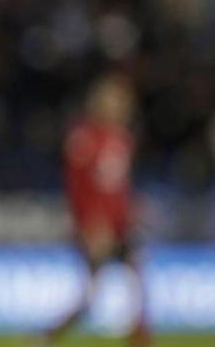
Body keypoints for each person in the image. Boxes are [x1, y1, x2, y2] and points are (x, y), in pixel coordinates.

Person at [41, 73, 149, 346]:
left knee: (137, 279)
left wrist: (132, 212)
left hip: (120, 224)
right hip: (97, 226)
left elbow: (119, 187)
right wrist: (88, 224)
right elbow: (78, 187)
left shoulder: (123, 138)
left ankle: (140, 336)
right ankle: (47, 335)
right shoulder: (84, 138)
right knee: (91, 293)